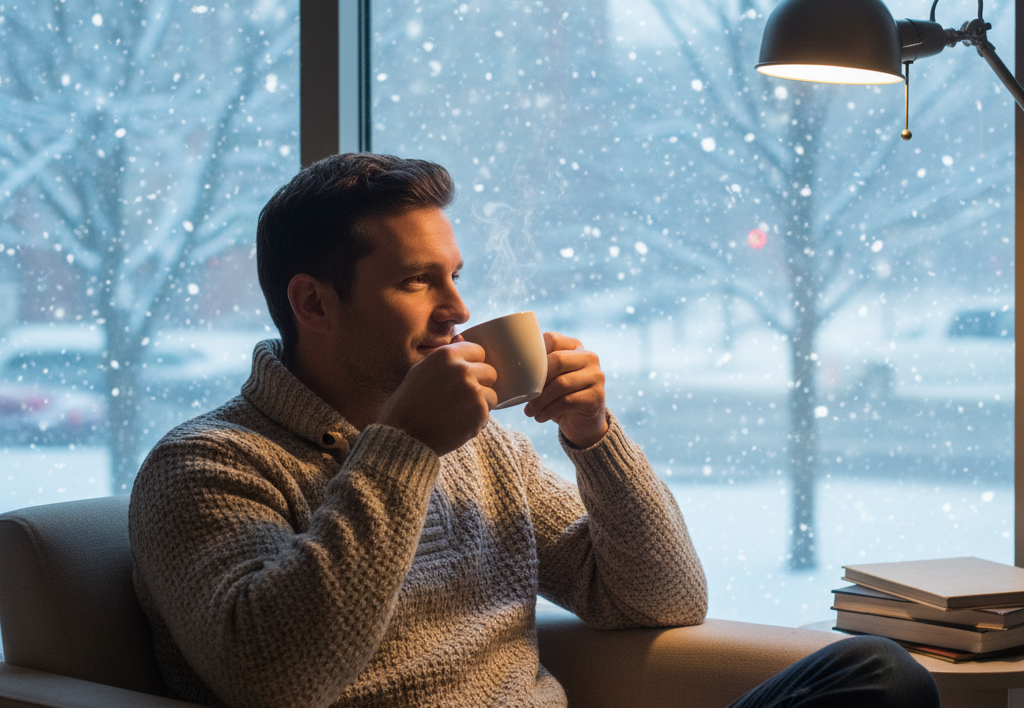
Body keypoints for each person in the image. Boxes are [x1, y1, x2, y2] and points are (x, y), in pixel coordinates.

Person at [129, 152, 939, 708]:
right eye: (418, 282)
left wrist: (595, 439)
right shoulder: (207, 465)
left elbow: (658, 596)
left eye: (454, 277)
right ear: (313, 303)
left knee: (876, 674)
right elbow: (278, 676)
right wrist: (405, 449)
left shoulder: (479, 445)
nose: (455, 311)